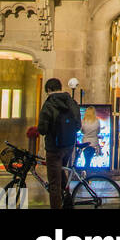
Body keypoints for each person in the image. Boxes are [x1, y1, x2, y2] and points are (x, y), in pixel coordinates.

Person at [37, 78, 81, 210]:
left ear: (49, 90)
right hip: (68, 145)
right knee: (61, 172)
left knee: (54, 184)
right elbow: (78, 126)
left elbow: (42, 129)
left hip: (54, 148)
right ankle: (67, 201)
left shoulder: (48, 104)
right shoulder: (71, 102)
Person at [78, 106, 102, 171]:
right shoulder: (97, 121)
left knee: (87, 160)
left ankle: (85, 173)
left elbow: (82, 131)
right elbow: (98, 131)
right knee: (89, 160)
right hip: (94, 143)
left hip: (85, 143)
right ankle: (88, 174)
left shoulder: (83, 121)